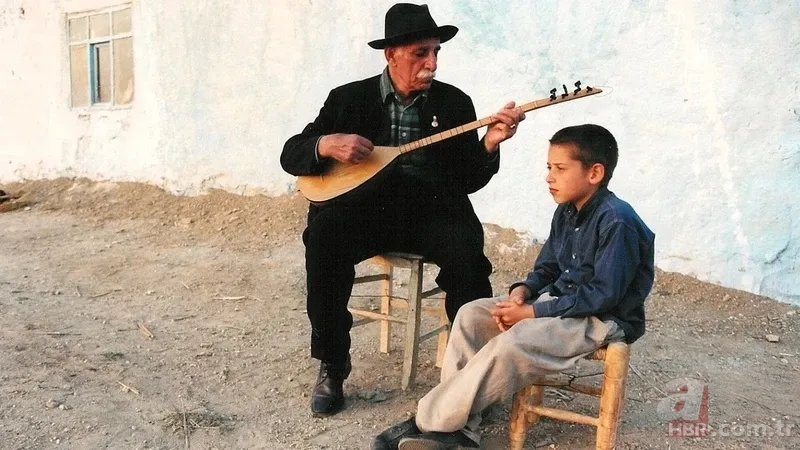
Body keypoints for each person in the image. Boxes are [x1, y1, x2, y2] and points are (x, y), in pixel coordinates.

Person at [280, 3, 526, 417]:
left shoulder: (453, 103)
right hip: (364, 209)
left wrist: (489, 143)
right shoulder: (348, 99)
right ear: (390, 55)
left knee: (467, 256)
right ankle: (333, 364)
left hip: (431, 209)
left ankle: (471, 376)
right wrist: (325, 145)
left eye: (435, 52)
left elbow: (468, 179)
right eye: (420, 53)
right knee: (323, 240)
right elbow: (292, 154)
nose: (431, 63)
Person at [371, 124, 656, 449]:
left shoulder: (617, 221)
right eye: (549, 168)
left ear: (594, 173)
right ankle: (461, 428)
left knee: (515, 340)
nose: (550, 177)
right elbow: (547, 267)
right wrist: (522, 292)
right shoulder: (566, 211)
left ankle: (431, 421)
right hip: (561, 303)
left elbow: (602, 296)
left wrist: (532, 312)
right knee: (470, 314)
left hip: (602, 319)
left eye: (560, 169)